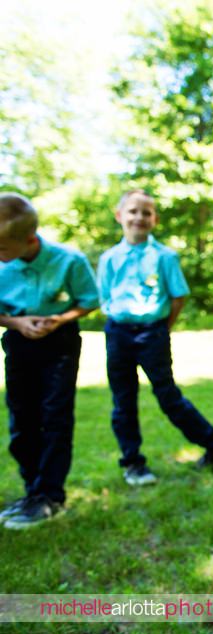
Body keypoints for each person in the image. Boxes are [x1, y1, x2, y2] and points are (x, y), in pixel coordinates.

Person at [97, 190, 213, 486]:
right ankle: (133, 462)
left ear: (155, 220)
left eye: (146, 213)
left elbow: (178, 297)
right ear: (120, 216)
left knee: (168, 396)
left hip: (153, 333)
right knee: (123, 401)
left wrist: (161, 328)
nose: (139, 218)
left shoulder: (164, 257)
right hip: (118, 333)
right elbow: (105, 295)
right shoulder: (109, 258)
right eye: (133, 211)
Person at [0, 193, 98, 528]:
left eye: (2, 250)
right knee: (21, 417)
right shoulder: (2, 266)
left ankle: (50, 495)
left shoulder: (69, 260)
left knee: (55, 415)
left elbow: (89, 300)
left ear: (28, 239)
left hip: (60, 343)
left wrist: (58, 319)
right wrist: (17, 322)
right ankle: (33, 492)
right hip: (18, 341)